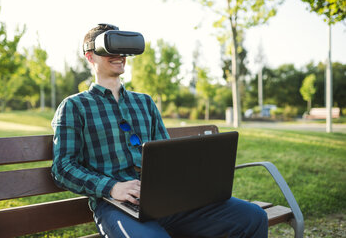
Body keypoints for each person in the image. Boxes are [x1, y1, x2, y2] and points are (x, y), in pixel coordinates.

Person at [51, 23, 268, 238]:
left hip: (167, 201)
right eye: (110, 49)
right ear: (90, 56)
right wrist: (112, 187)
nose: (119, 55)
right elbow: (62, 168)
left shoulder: (144, 102)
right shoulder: (74, 107)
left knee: (253, 217)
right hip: (116, 205)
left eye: (122, 49)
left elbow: (166, 156)